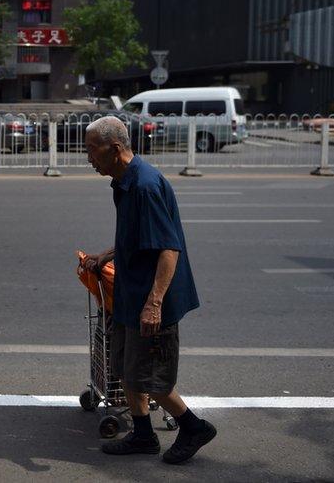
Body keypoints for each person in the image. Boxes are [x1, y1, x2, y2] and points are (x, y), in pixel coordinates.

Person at [81, 116, 216, 465]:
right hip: (131, 293)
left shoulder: (144, 185)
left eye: (92, 150)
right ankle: (143, 434)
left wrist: (154, 303)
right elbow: (138, 235)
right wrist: (107, 254)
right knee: (126, 368)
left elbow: (168, 249)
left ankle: (195, 427)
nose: (88, 158)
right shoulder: (123, 181)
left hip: (152, 298)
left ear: (114, 149)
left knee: (151, 376)